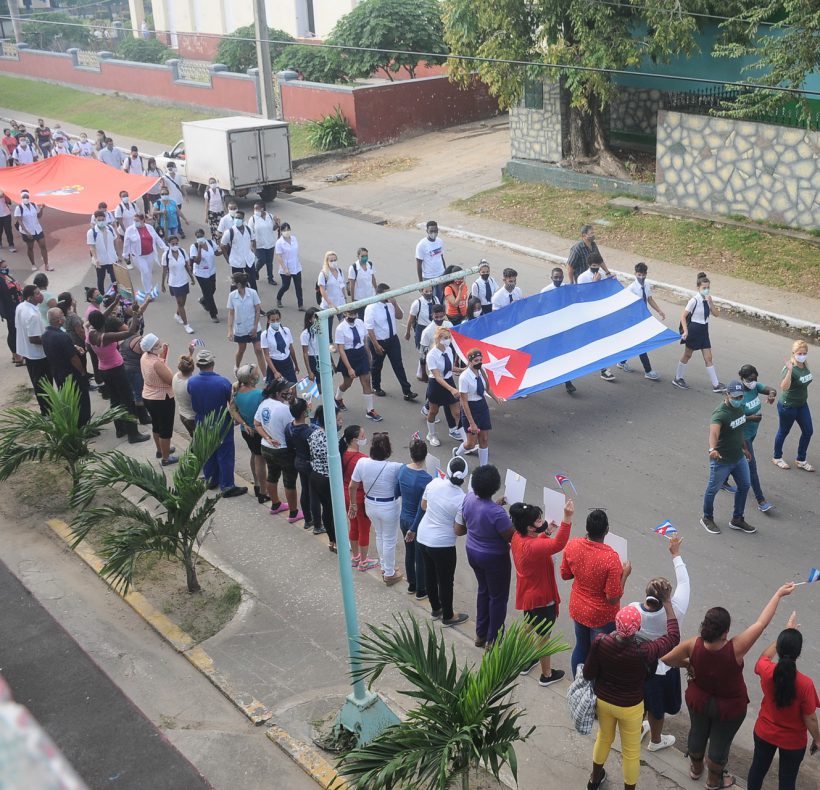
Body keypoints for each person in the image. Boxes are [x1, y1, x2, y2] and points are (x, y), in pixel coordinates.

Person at [663, 583, 796, 790]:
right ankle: (713, 781)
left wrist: (688, 664)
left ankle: (696, 770)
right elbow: (761, 623)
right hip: (729, 707)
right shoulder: (735, 648)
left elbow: (667, 659)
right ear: (725, 633)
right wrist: (778, 594)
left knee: (697, 733)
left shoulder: (693, 645)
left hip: (698, 699)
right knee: (720, 743)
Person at [583, 601, 680, 790]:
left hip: (604, 701)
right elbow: (673, 637)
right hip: (631, 707)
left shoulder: (601, 641)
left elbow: (588, 674)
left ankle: (594, 780)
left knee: (603, 738)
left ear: (617, 624)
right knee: (631, 752)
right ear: (637, 627)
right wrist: (667, 604)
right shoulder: (646, 651)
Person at [629, 534, 690, 752]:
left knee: (639, 702)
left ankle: (635, 732)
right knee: (657, 707)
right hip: (662, 668)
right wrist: (676, 554)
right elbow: (684, 581)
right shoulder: (676, 610)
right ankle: (656, 741)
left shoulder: (633, 609)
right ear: (667, 598)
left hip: (637, 665)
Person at [747, 616, 820, 790]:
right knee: (787, 779)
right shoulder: (805, 684)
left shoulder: (767, 670)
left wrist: (785, 632)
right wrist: (818, 739)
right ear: (799, 652)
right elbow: (810, 718)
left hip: (764, 732)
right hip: (793, 741)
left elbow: (764, 657)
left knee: (757, 769)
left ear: (778, 648)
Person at [510, 498, 574, 686]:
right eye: (538, 521)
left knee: (528, 624)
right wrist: (567, 518)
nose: (542, 521)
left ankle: (522, 659)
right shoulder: (533, 546)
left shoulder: (517, 537)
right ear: (529, 527)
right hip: (541, 597)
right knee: (544, 636)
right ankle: (546, 674)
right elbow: (558, 545)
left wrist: (546, 532)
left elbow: (536, 544)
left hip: (527, 594)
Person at [561, 508, 631, 676]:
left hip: (578, 609)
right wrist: (625, 575)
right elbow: (613, 598)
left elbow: (565, 574)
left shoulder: (573, 545)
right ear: (606, 530)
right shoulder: (611, 559)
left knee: (581, 646)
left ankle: (578, 684)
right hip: (601, 616)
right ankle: (593, 691)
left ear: (587, 527)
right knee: (598, 654)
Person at [458, 465, 513, 647]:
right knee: (498, 598)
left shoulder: (469, 499)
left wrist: (494, 504)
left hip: (473, 551)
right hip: (494, 558)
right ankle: (493, 639)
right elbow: (510, 535)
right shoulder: (498, 514)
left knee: (483, 591)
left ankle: (480, 634)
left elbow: (476, 516)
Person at [412, 456, 470, 626]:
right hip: (443, 544)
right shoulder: (462, 498)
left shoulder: (434, 483)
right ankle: (448, 615)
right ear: (464, 477)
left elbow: (424, 506)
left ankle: (435, 608)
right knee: (445, 580)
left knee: (429, 573)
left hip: (423, 536)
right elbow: (458, 530)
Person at [187, 349, 247, 497]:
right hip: (220, 420)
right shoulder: (222, 382)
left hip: (202, 420)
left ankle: (211, 479)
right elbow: (232, 403)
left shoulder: (192, 381)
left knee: (207, 451)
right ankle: (227, 485)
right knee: (225, 453)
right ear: (212, 363)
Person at [700, 380, 756, 536]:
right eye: (735, 397)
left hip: (738, 457)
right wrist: (712, 449)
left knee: (744, 485)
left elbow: (739, 430)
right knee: (713, 489)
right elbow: (714, 433)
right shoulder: (720, 414)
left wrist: (745, 448)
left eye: (740, 397)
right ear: (727, 395)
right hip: (722, 460)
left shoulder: (740, 409)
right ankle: (707, 517)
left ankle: (737, 519)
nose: (738, 400)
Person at [86, 308, 149, 443]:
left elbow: (101, 317)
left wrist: (115, 302)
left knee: (115, 400)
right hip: (116, 369)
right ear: (103, 321)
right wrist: (136, 315)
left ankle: (120, 429)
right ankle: (133, 433)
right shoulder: (106, 337)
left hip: (104, 369)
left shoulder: (91, 333)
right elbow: (130, 332)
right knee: (127, 401)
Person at [349, 432, 404, 584]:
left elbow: (352, 486)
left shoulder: (362, 463)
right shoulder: (395, 467)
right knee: (389, 539)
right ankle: (389, 572)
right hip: (389, 506)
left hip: (370, 505)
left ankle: (386, 567)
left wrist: (353, 504)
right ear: (388, 450)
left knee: (380, 535)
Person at [728, 364, 776, 512]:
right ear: (742, 379)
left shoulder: (755, 387)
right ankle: (761, 500)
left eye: (755, 378)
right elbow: (734, 421)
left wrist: (771, 394)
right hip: (743, 435)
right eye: (750, 379)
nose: (753, 382)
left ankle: (723, 480)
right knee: (752, 467)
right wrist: (750, 418)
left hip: (753, 432)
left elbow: (771, 389)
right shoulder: (740, 397)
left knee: (735, 458)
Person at [254, 378, 301, 521]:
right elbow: (295, 427)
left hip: (267, 447)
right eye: (286, 390)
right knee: (289, 481)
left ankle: (275, 504)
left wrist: (267, 438)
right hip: (283, 450)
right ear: (278, 393)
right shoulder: (284, 409)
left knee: (272, 475)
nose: (289, 392)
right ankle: (293, 513)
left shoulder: (264, 404)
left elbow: (257, 424)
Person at [365, 283, 417, 401]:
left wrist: (394, 303)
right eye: (387, 293)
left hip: (392, 339)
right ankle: (376, 386)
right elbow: (369, 328)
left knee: (398, 365)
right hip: (378, 340)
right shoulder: (371, 308)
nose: (390, 295)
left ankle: (406, 390)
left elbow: (399, 316)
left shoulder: (390, 305)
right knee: (377, 365)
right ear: (380, 294)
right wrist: (376, 345)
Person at [674, 272, 724, 392]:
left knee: (708, 357)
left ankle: (716, 384)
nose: (706, 290)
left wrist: (710, 302)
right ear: (698, 288)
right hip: (694, 330)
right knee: (687, 355)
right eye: (704, 288)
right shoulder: (694, 301)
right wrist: (685, 331)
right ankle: (678, 378)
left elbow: (716, 314)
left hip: (704, 330)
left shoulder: (708, 300)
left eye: (708, 288)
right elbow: (683, 316)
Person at [41, 307, 90, 425]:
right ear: (59, 320)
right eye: (62, 315)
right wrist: (82, 372)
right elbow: (73, 359)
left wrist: (73, 346)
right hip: (71, 374)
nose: (64, 316)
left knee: (68, 399)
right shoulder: (62, 336)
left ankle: (74, 422)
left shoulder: (46, 335)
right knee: (81, 400)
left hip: (58, 373)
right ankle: (83, 424)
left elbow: (59, 348)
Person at [396, 437, 432, 596]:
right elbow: (422, 508)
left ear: (411, 455)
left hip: (403, 518)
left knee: (409, 552)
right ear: (425, 456)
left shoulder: (403, 470)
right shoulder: (427, 479)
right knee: (420, 556)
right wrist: (414, 528)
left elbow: (397, 492)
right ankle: (421, 589)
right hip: (416, 522)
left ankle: (412, 584)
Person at [617, 262, 665, 380]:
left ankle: (621, 361)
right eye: (639, 275)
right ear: (635, 274)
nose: (641, 277)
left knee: (634, 343)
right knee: (642, 345)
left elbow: (649, 299)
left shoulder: (646, 285)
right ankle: (648, 370)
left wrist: (659, 310)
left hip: (643, 319)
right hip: (633, 321)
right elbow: (624, 306)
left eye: (643, 275)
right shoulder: (631, 289)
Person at [229, 363, 268, 504]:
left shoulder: (237, 392)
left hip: (246, 431)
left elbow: (233, 410)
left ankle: (257, 483)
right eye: (256, 374)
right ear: (251, 379)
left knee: (254, 455)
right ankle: (263, 491)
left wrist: (244, 423)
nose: (258, 376)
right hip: (257, 431)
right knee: (260, 459)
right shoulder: (258, 395)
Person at [340, 424, 377, 571]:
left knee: (353, 525)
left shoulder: (342, 453)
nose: (365, 438)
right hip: (360, 498)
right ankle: (363, 561)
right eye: (362, 436)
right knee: (364, 529)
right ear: (354, 440)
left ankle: (355, 557)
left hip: (346, 494)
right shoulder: (362, 459)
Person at [772, 340, 813, 472]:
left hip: (801, 404)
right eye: (799, 353)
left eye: (804, 353)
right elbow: (784, 387)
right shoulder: (790, 368)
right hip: (788, 406)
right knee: (784, 431)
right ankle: (777, 457)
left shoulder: (804, 366)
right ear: (793, 353)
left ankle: (801, 459)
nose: (802, 355)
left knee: (808, 431)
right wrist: (789, 371)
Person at [334, 308, 382, 422]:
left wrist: (368, 356)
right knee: (347, 383)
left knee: (366, 381)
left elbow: (365, 341)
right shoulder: (340, 328)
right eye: (350, 313)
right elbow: (341, 350)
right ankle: (337, 398)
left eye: (355, 313)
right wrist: (349, 368)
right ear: (345, 313)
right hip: (349, 356)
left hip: (361, 354)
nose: (353, 316)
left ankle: (370, 410)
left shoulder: (360, 323)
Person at [454, 348, 499, 465]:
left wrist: (496, 398)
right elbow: (464, 401)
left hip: (482, 406)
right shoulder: (464, 377)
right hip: (470, 408)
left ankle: (483, 467)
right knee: (471, 444)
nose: (479, 362)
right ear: (469, 361)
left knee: (484, 439)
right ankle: (457, 454)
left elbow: (487, 388)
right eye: (476, 360)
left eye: (480, 360)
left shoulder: (482, 371)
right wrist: (472, 423)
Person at [139, 333, 178, 465]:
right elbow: (170, 380)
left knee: (156, 425)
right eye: (158, 344)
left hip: (148, 395)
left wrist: (164, 355)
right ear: (153, 348)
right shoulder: (156, 363)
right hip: (162, 399)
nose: (161, 345)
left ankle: (160, 450)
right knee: (165, 429)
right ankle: (166, 458)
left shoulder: (145, 357)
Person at [15, 285, 52, 413]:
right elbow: (34, 338)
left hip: (28, 353)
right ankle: (47, 411)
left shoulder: (21, 307)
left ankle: (46, 409)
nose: (40, 295)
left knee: (38, 383)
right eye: (37, 294)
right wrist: (49, 341)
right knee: (44, 385)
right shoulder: (32, 315)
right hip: (38, 355)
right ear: (30, 298)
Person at [424, 326, 462, 447]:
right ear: (438, 339)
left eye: (449, 337)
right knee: (433, 411)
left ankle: (463, 436)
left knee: (457, 412)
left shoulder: (449, 350)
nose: (448, 340)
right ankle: (431, 434)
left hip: (449, 381)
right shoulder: (431, 355)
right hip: (436, 385)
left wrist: (463, 369)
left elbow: (449, 366)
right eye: (445, 338)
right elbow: (438, 376)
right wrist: (452, 389)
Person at [308, 404, 340, 547]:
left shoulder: (314, 434)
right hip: (328, 478)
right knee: (334, 509)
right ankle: (337, 541)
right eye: (338, 419)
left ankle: (332, 540)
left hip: (316, 475)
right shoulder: (331, 439)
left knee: (326, 509)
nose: (341, 422)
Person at [226, 272, 266, 373]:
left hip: (254, 327)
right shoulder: (232, 296)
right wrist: (230, 330)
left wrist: (255, 327)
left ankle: (265, 375)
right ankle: (237, 366)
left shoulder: (252, 293)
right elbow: (231, 313)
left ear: (238, 284)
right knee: (241, 349)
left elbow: (258, 310)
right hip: (240, 328)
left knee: (258, 349)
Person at [285, 397, 315, 528]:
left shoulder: (289, 427)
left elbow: (289, 446)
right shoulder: (308, 432)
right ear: (304, 413)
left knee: (305, 489)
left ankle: (308, 519)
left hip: (298, 460)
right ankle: (315, 519)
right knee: (313, 492)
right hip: (309, 463)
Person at [123, 212, 166, 293]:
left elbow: (157, 238)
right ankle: (148, 291)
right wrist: (125, 254)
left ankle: (149, 286)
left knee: (148, 272)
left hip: (150, 254)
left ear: (143, 220)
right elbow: (126, 243)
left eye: (137, 220)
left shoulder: (149, 227)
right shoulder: (130, 230)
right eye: (134, 220)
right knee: (145, 271)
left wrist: (165, 248)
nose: (135, 222)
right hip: (138, 256)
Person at [160, 236, 196, 335]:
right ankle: (186, 325)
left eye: (176, 243)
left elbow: (187, 266)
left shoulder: (183, 252)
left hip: (184, 280)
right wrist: (162, 284)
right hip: (174, 282)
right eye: (173, 244)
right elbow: (164, 271)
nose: (175, 245)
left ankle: (177, 314)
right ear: (169, 244)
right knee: (180, 303)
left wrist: (192, 278)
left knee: (182, 302)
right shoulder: (166, 255)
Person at [13, 191, 51, 272]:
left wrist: (41, 209)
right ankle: (33, 264)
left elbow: (39, 216)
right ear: (21, 198)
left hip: (38, 229)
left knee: (43, 246)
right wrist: (27, 232)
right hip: (28, 231)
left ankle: (47, 265)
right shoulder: (19, 208)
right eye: (24, 197)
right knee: (30, 247)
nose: (25, 198)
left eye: (27, 197)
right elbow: (19, 221)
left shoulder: (33, 205)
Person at [190, 228, 221, 324]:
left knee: (213, 289)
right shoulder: (194, 247)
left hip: (211, 271)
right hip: (201, 273)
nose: (200, 238)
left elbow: (216, 252)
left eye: (201, 236)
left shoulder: (210, 243)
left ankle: (203, 300)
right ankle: (213, 314)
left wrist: (223, 249)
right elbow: (197, 261)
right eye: (198, 237)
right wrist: (199, 249)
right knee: (208, 292)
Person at [221, 209, 257, 289]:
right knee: (236, 283)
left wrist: (254, 252)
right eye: (236, 218)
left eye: (239, 218)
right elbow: (222, 245)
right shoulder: (229, 232)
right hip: (236, 261)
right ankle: (235, 298)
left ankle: (253, 297)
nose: (237, 220)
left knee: (252, 281)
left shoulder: (248, 229)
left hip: (249, 260)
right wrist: (227, 258)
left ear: (243, 219)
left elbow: (253, 241)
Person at [261, 308, 298, 383]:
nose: (275, 322)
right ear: (268, 321)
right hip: (275, 364)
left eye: (277, 320)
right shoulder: (265, 335)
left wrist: (296, 365)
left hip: (288, 362)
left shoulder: (286, 330)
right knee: (277, 391)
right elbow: (267, 356)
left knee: (293, 386)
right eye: (273, 320)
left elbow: (291, 349)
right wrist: (275, 372)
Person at [274, 222, 303, 310]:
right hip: (285, 268)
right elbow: (278, 256)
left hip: (296, 266)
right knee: (286, 286)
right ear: (281, 231)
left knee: (298, 287)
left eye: (288, 230)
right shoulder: (279, 242)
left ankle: (300, 305)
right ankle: (278, 298)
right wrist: (285, 268)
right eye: (284, 230)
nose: (287, 232)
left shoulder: (294, 238)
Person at [87, 209, 118, 292]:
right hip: (100, 260)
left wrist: (117, 254)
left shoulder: (110, 229)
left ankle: (117, 294)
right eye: (99, 220)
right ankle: (102, 295)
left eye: (103, 220)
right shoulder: (92, 232)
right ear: (95, 220)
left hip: (111, 258)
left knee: (114, 278)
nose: (101, 222)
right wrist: (96, 259)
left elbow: (115, 241)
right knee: (101, 278)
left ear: (105, 219)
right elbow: (92, 247)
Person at [248, 202, 279, 286]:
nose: (255, 210)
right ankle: (255, 271)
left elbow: (274, 228)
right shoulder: (253, 219)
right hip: (259, 244)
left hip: (270, 243)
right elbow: (250, 232)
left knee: (269, 262)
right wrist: (251, 244)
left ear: (262, 208)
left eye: (257, 208)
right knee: (262, 260)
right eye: (254, 208)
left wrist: (277, 223)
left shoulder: (270, 216)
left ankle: (270, 278)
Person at [416, 221, 446, 301]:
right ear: (427, 231)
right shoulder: (421, 245)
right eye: (431, 231)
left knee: (440, 299)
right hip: (428, 277)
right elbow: (419, 264)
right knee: (430, 300)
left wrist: (445, 273)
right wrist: (421, 283)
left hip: (441, 275)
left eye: (435, 230)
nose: (433, 233)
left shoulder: (440, 241)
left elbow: (441, 257)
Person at [317, 251, 346, 335]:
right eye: (331, 260)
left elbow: (342, 286)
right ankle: (330, 342)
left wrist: (344, 298)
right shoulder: (323, 274)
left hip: (340, 302)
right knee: (328, 326)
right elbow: (322, 290)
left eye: (335, 260)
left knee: (344, 323)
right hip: (329, 304)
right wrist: (330, 303)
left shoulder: (339, 271)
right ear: (327, 262)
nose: (333, 262)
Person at [0, 264, 24, 365]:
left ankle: (16, 354)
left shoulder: (7, 276)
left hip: (16, 306)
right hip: (9, 309)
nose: (6, 268)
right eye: (3, 266)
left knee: (17, 331)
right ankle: (16, 356)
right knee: (13, 331)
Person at [172, 351, 197, 437]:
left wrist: (190, 353)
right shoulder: (192, 383)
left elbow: (186, 364)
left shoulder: (176, 376)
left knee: (193, 437)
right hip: (193, 417)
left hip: (182, 415)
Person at [300, 307, 320, 389]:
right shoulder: (305, 334)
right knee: (319, 385)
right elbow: (305, 353)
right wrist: (309, 371)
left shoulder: (321, 330)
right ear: (309, 319)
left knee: (327, 382)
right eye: (314, 317)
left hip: (323, 357)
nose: (316, 319)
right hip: (314, 359)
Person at [114, 190, 138, 256]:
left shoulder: (133, 205)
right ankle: (128, 261)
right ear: (120, 198)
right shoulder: (119, 208)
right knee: (127, 247)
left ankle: (135, 258)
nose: (126, 197)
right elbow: (120, 221)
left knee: (135, 246)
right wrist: (126, 231)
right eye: (124, 196)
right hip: (124, 231)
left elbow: (138, 216)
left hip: (134, 229)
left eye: (127, 195)